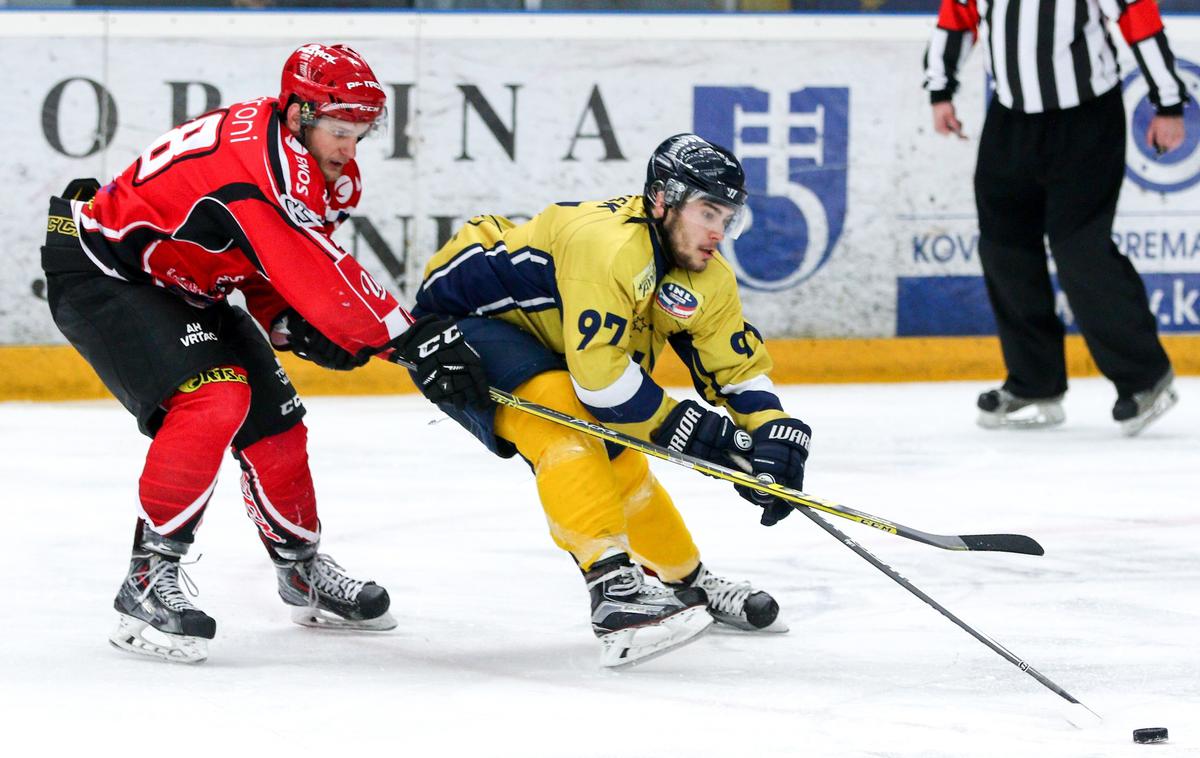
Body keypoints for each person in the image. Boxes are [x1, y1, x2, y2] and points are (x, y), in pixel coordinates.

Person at [39, 43, 487, 663]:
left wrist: (284, 321)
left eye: (361, 133)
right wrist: (409, 342)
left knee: (276, 423)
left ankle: (299, 570)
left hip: (182, 280)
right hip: (108, 275)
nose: (349, 148)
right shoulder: (260, 165)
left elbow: (257, 259)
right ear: (301, 111)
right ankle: (146, 581)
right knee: (216, 398)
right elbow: (321, 276)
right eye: (339, 130)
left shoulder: (306, 159)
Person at [411, 134, 811, 668]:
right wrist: (715, 441)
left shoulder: (705, 274)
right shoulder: (610, 247)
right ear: (662, 199)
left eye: (729, 217)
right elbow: (601, 384)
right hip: (462, 327)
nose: (718, 232)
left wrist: (772, 433)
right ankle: (613, 591)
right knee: (568, 420)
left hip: (550, 337)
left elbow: (734, 368)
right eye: (707, 212)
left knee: (620, 455)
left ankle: (688, 583)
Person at [924, 0, 1183, 435]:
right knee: (1003, 247)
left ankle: (1144, 378)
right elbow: (958, 18)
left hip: (1086, 119)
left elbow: (1138, 16)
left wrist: (1169, 102)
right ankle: (1034, 383)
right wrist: (940, 89)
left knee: (1081, 247)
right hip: (1010, 121)